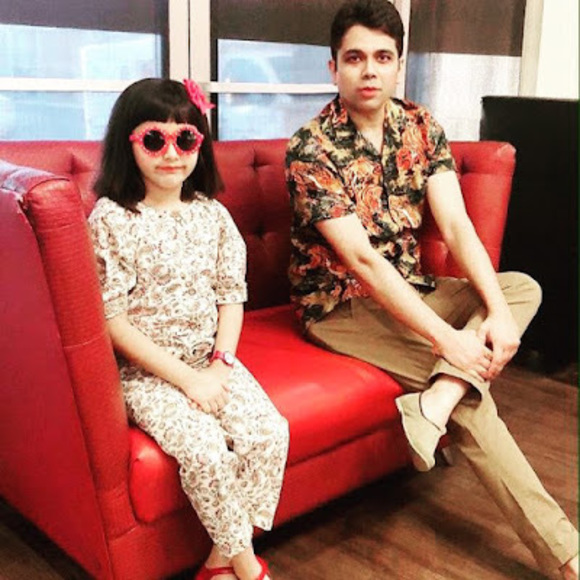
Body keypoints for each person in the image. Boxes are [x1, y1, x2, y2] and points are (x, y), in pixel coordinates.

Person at [285, 1, 578, 578]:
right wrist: (451, 342)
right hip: (341, 304)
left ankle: (433, 401)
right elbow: (363, 262)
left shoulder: (421, 126)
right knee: (473, 398)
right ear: (333, 68)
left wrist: (495, 310)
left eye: (382, 57)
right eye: (355, 58)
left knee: (519, 288)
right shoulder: (310, 148)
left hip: (414, 286)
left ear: (400, 64)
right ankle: (566, 554)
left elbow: (458, 226)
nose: (369, 70)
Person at [90, 78, 288, 580]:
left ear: (201, 144)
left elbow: (231, 297)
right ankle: (248, 568)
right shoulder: (111, 219)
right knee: (205, 452)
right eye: (154, 139)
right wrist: (188, 380)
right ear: (128, 143)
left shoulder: (213, 215)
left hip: (210, 361)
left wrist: (220, 364)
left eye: (185, 139)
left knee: (270, 433)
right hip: (148, 374)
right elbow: (112, 322)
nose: (171, 154)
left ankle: (217, 564)